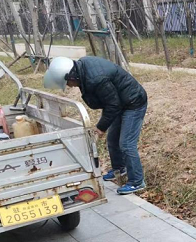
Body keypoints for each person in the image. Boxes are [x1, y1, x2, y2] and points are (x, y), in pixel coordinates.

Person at [43, 56, 148, 195]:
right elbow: (111, 102)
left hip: (133, 102)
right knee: (112, 139)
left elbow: (112, 105)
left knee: (126, 144)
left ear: (72, 76)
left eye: (67, 83)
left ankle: (137, 182)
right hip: (120, 102)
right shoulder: (82, 69)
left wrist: (100, 127)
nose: (69, 86)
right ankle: (119, 168)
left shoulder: (96, 79)